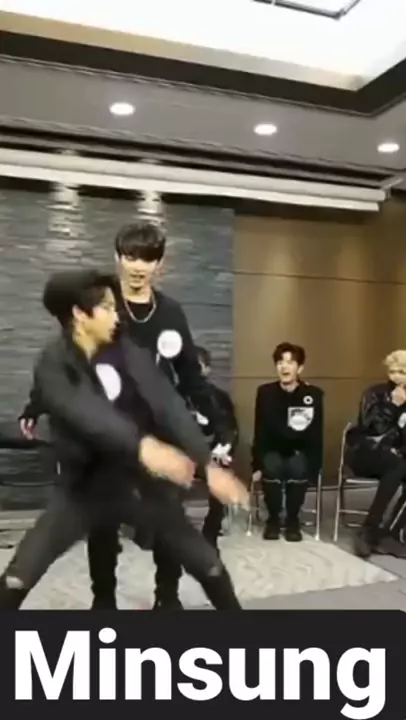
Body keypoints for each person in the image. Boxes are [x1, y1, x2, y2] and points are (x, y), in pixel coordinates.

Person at [19, 220, 236, 609]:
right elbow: (68, 363)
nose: (138, 266)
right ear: (118, 258)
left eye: (147, 259)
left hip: (159, 434)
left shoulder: (170, 313)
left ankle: (166, 596)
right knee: (102, 524)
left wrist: (215, 427)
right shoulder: (97, 304)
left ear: (159, 264)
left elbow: (189, 378)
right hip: (104, 437)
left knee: (169, 519)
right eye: (131, 257)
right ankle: (104, 599)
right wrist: (35, 406)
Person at [251, 342, 323, 542]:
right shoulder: (265, 392)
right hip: (272, 449)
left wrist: (315, 465)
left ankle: (292, 520)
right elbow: (260, 430)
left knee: (297, 467)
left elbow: (316, 433)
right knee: (271, 467)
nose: (284, 367)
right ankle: (273, 519)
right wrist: (256, 463)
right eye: (280, 362)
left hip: (300, 451)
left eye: (290, 362)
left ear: (300, 368)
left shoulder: (312, 394)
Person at [346, 350, 406, 558]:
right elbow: (373, 428)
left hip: (396, 457)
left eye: (402, 372)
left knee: (399, 465)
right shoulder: (375, 393)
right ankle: (369, 529)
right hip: (365, 451)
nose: (396, 377)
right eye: (392, 372)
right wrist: (393, 405)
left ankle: (390, 534)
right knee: (397, 465)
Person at [190, 346, 239, 549]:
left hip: (210, 455)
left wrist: (224, 447)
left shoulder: (219, 397)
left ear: (207, 369)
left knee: (221, 473)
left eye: (197, 366)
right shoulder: (172, 395)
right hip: (179, 456)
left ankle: (211, 531)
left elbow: (230, 429)